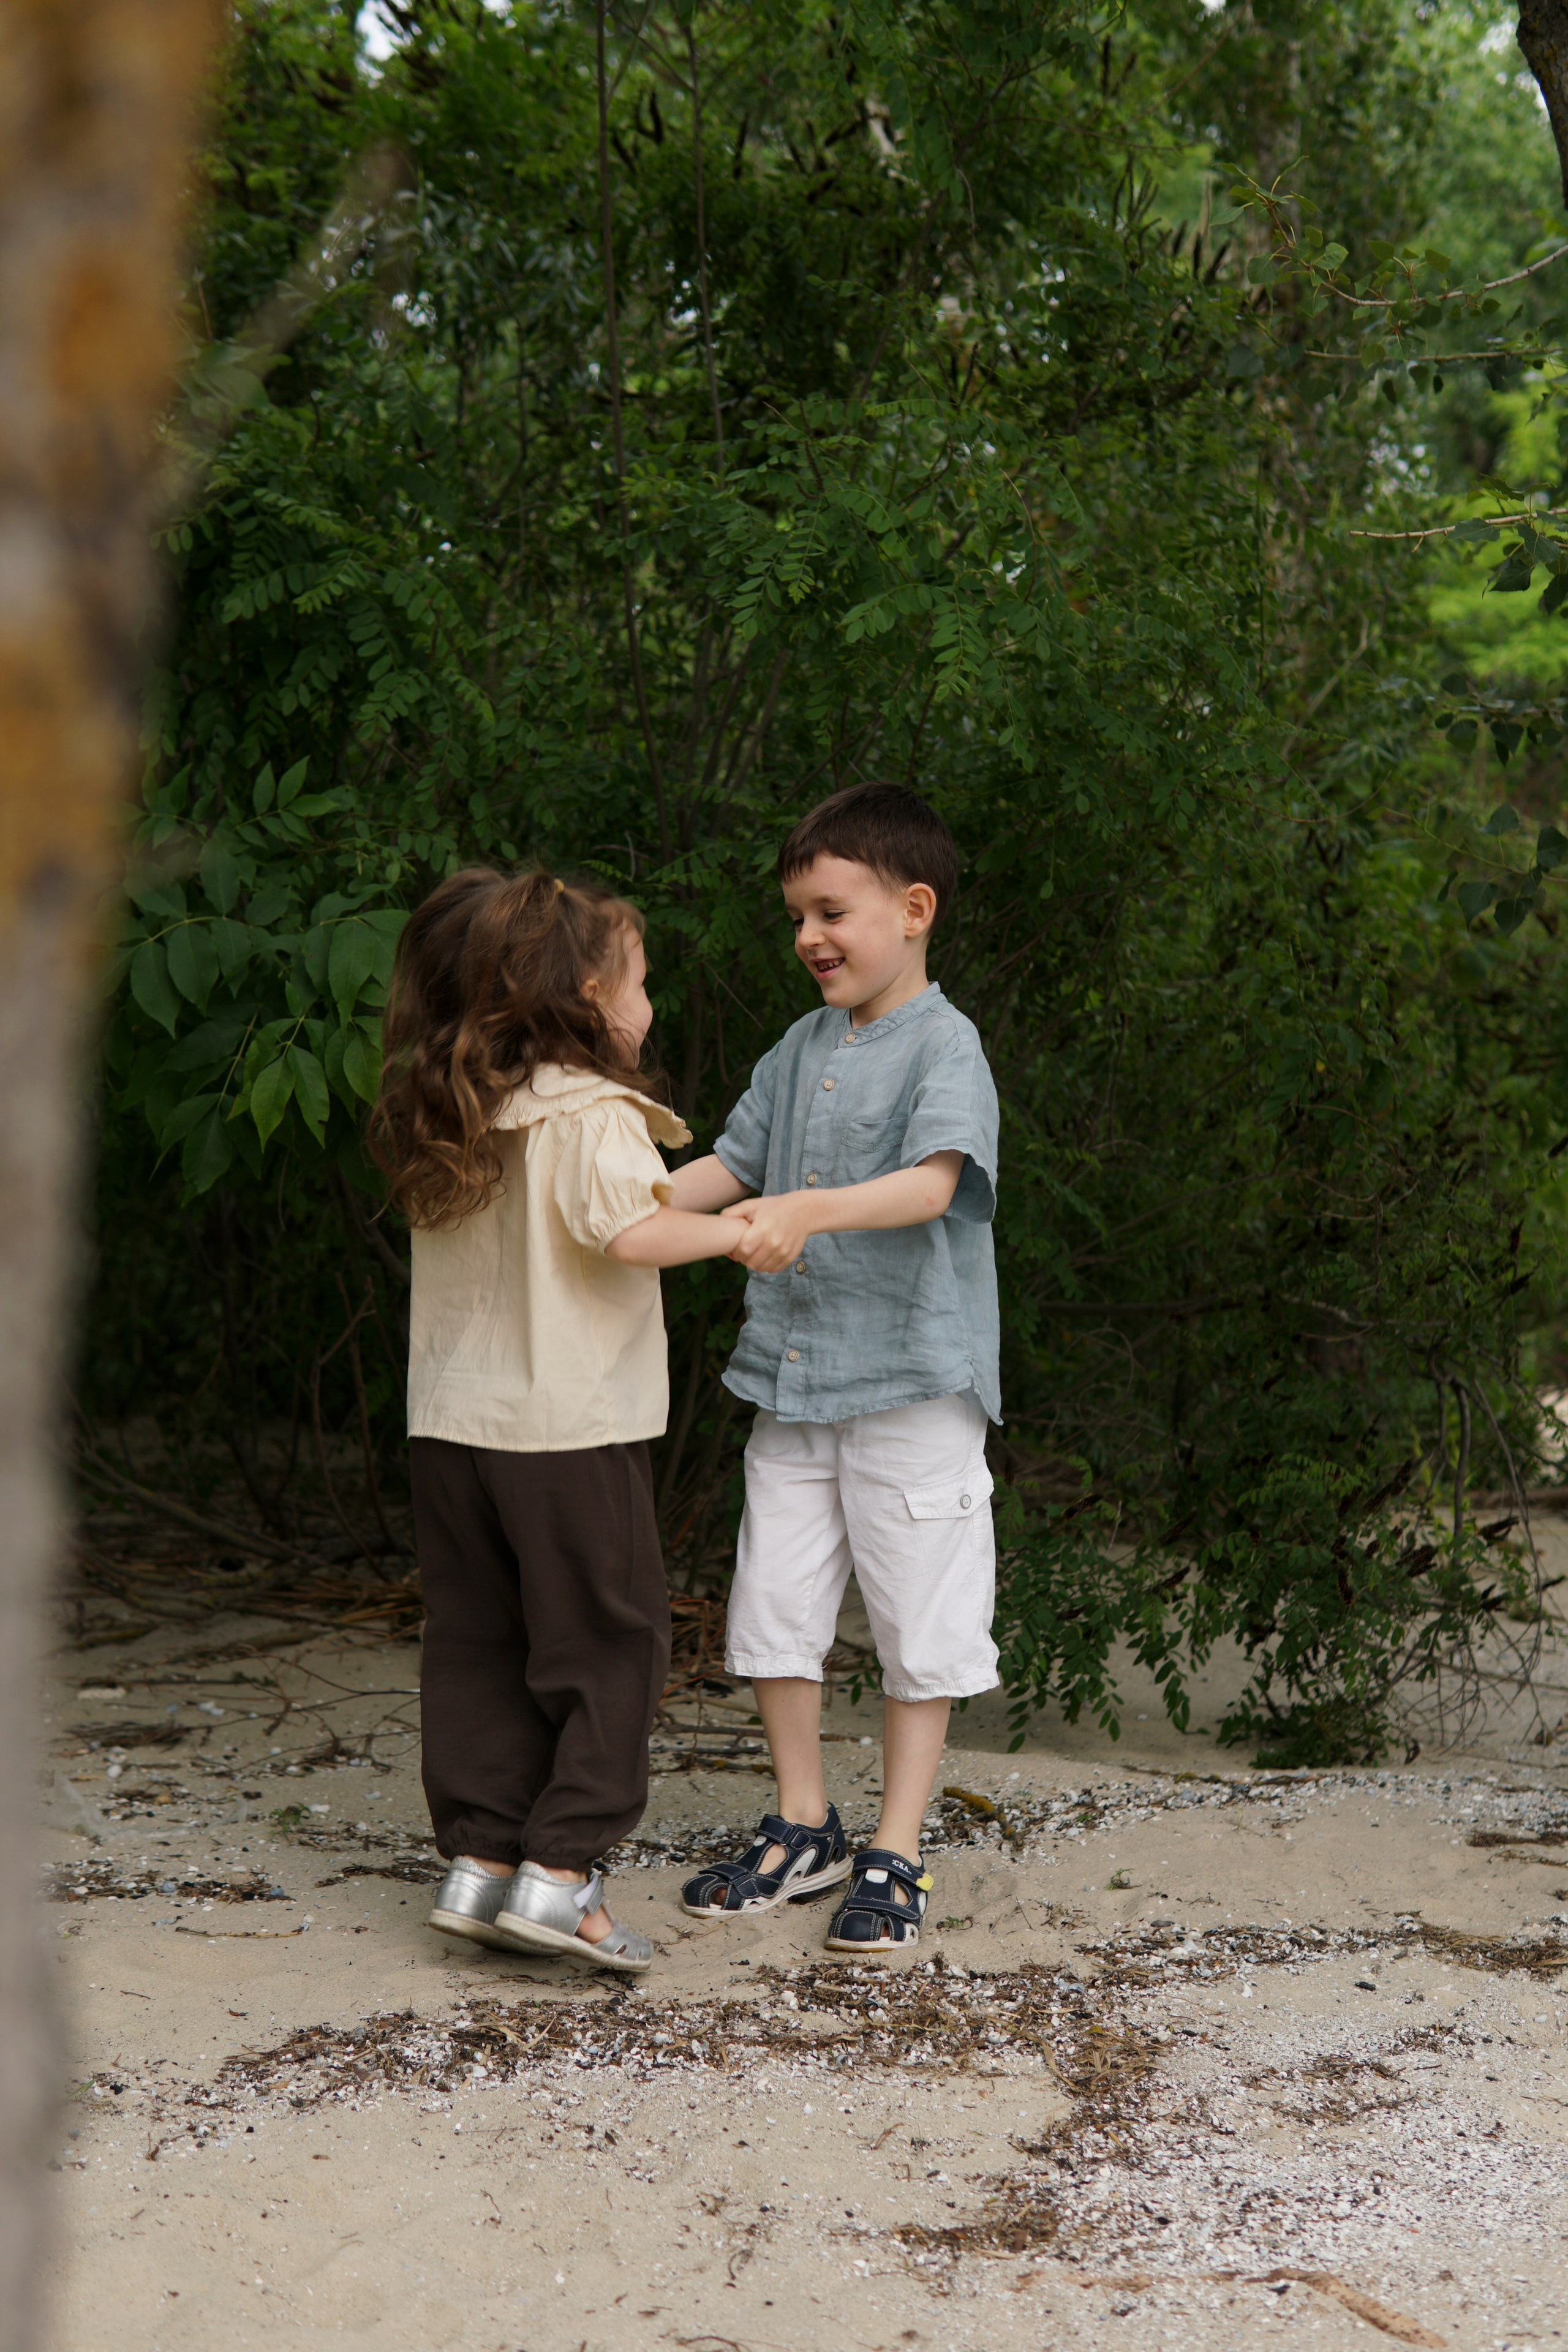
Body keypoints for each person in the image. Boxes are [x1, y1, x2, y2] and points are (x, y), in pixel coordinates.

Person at [369, 867, 741, 1973]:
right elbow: (631, 1231)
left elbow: (633, 1202)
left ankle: (481, 1864)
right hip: (566, 1435)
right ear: (587, 994)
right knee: (609, 1645)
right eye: (642, 981)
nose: (651, 1005)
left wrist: (730, 1186)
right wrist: (749, 1230)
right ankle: (565, 1875)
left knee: (480, 1641)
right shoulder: (596, 1112)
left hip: (454, 1431)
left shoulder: (465, 1109)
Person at [669, 781, 1000, 1951]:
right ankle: (804, 1822)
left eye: (831, 911)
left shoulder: (945, 1044)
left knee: (921, 1619)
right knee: (774, 1603)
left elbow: (934, 1185)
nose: (810, 936)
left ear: (912, 910)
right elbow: (724, 1163)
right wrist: (632, 1202)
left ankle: (898, 1847)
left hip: (913, 1380)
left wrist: (801, 1209)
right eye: (798, 917)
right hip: (793, 1376)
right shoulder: (800, 1045)